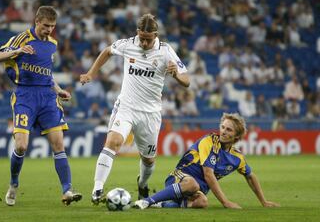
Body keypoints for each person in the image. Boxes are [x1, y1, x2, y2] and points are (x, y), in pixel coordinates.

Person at [80, 13, 190, 204]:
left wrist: (176, 76)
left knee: (148, 160)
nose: (144, 43)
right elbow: (107, 51)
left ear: (156, 35)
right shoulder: (128, 44)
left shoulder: (166, 51)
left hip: (150, 113)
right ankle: (97, 189)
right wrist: (91, 73)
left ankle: (142, 184)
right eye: (142, 38)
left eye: (148, 40)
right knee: (112, 142)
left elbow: (186, 81)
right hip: (126, 107)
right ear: (137, 33)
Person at [0, 6, 82, 206]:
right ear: (37, 21)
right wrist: (17, 51)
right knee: (21, 146)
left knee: (58, 144)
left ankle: (67, 190)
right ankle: (14, 184)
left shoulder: (52, 44)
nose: (49, 30)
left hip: (48, 97)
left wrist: (58, 90)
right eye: (46, 26)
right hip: (25, 95)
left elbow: (46, 74)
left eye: (52, 26)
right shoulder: (21, 39)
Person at [134, 113, 280, 209]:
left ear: (236, 137)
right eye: (222, 127)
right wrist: (225, 202)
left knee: (202, 202)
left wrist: (263, 201)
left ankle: (163, 204)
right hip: (178, 179)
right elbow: (208, 174)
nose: (223, 131)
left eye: (229, 130)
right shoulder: (208, 141)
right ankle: (147, 201)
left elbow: (250, 176)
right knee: (192, 183)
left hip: (197, 190)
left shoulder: (237, 157)